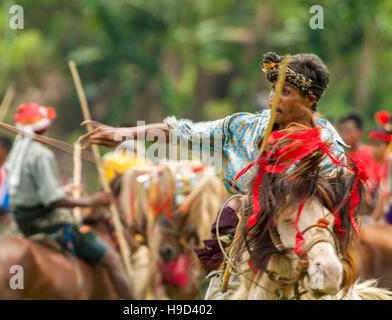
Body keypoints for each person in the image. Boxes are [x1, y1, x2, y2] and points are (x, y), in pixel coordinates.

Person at [78, 52, 349, 298]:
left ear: (309, 100)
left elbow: (332, 203)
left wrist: (277, 201)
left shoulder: (328, 145)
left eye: (285, 92)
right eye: (273, 90)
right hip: (247, 248)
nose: (273, 98)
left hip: (303, 250)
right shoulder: (243, 126)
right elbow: (183, 131)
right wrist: (120, 134)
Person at [5, 102, 137, 299]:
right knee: (112, 259)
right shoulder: (41, 154)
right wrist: (93, 200)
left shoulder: (17, 153)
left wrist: (65, 189)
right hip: (50, 225)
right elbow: (52, 200)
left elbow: (36, 193)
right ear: (45, 127)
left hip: (24, 223)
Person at [339, 113, 380, 187]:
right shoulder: (342, 156)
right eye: (342, 130)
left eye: (348, 130)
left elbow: (372, 182)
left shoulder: (369, 153)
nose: (344, 134)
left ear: (360, 132)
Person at [370, 111, 392, 224]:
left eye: (378, 145)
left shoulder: (390, 159)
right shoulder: (383, 163)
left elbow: (386, 194)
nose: (373, 149)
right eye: (372, 144)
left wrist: (373, 221)